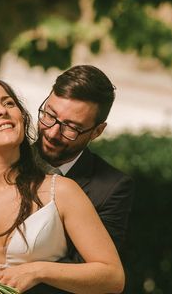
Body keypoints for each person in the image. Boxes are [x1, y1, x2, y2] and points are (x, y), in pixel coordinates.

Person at [0, 77, 124, 294]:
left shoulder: (63, 192)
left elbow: (112, 277)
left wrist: (38, 270)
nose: (2, 110)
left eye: (9, 103)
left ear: (22, 118)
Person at [35, 65, 134, 261]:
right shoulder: (7, 158)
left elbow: (91, 271)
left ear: (97, 132)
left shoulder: (112, 189)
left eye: (71, 127)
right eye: (49, 115)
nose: (52, 133)